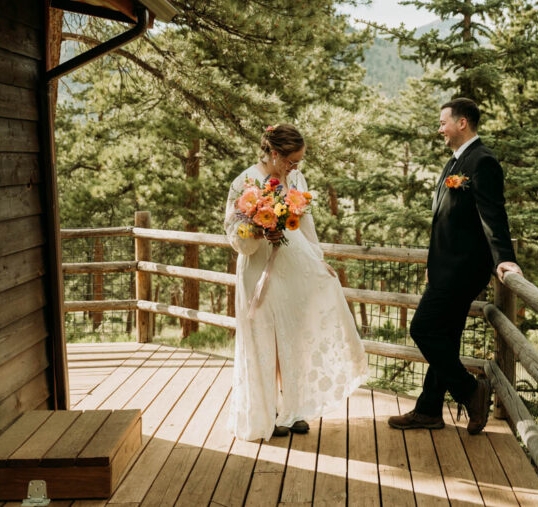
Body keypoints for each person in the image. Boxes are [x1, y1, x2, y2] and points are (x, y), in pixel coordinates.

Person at [224, 124, 367, 441]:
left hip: (293, 265)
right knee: (265, 336)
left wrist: (317, 260)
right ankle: (270, 410)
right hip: (259, 266)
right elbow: (234, 234)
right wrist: (259, 231)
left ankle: (294, 407)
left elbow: (305, 224)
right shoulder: (245, 182)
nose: (295, 167)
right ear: (275, 154)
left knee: (294, 334)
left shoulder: (297, 180)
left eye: (298, 162)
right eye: (291, 161)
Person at [389, 98, 522, 435]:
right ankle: (429, 410)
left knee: (422, 329)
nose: (440, 129)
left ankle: (470, 390)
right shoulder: (456, 162)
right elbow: (444, 221)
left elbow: (494, 215)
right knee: (445, 337)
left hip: (463, 270)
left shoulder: (483, 162)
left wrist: (505, 259)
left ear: (462, 123)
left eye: (443, 122)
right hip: (446, 267)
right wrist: (434, 262)